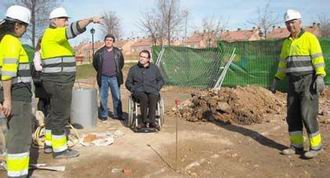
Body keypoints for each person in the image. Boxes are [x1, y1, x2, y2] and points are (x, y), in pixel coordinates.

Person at [40, 7, 103, 159]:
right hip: (59, 82)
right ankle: (60, 150)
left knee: (54, 112)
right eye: (63, 19)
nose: (66, 21)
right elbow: (74, 30)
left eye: (67, 19)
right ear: (53, 22)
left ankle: (49, 144)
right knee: (61, 114)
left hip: (54, 81)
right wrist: (89, 19)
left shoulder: (53, 37)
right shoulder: (54, 33)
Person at [270, 9, 326, 159]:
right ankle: (297, 146)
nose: (290, 26)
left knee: (308, 114)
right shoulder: (287, 43)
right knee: (292, 115)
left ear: (300, 22)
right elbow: (283, 64)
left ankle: (316, 146)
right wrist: (277, 78)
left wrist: (320, 76)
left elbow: (318, 58)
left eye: (293, 22)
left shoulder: (310, 38)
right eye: (287, 23)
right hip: (292, 82)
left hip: (308, 81)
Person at [0, 5, 32, 178]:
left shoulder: (3, 40)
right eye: (25, 26)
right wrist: (8, 99)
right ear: (17, 25)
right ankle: (17, 174)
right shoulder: (11, 41)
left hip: (15, 95)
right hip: (18, 96)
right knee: (20, 136)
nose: (25, 31)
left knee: (15, 134)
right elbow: (8, 73)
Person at [125, 50, 164, 130]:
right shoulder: (133, 69)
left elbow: (161, 80)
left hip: (152, 90)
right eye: (141, 56)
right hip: (139, 91)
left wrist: (157, 87)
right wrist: (133, 89)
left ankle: (152, 122)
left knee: (153, 97)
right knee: (144, 97)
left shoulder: (154, 68)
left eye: (144, 57)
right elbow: (128, 82)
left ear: (148, 59)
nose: (142, 58)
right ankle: (143, 122)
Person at [93, 34, 124, 121]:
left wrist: (115, 71)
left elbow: (121, 64)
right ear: (105, 41)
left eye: (110, 40)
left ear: (113, 42)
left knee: (117, 97)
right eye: (107, 40)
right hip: (103, 78)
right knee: (103, 97)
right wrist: (101, 72)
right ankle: (103, 114)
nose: (108, 41)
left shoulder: (118, 52)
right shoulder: (99, 52)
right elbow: (95, 64)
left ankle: (118, 114)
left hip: (114, 77)